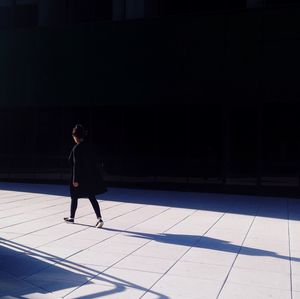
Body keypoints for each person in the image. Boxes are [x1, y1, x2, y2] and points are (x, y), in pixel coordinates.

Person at [64, 124, 107, 228]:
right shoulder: (89, 147)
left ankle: (72, 217)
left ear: (75, 136)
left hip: (79, 177)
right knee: (92, 197)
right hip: (89, 177)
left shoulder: (76, 149)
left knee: (74, 196)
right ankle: (99, 218)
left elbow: (75, 165)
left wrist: (75, 179)